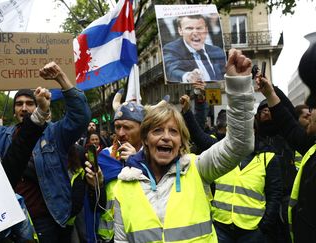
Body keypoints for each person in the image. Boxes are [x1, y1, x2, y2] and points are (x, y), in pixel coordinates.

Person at [113, 48, 254, 242]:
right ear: (145, 139)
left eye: (173, 131)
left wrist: (239, 87)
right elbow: (121, 239)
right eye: (157, 131)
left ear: (181, 141)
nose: (166, 138)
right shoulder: (124, 184)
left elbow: (239, 144)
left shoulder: (198, 168)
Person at [2, 62, 91, 242]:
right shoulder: (1, 135)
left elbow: (80, 117)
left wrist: (61, 78)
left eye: (29, 103)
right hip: (11, 220)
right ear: (14, 112)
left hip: (47, 221)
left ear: (39, 107)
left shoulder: (55, 133)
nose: (24, 108)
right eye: (19, 104)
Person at [180, 93, 282, 242]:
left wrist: (264, 227)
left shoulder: (268, 157)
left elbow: (275, 195)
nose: (240, 133)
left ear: (253, 131)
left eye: (246, 129)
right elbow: (199, 136)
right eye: (235, 129)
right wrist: (188, 112)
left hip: (252, 232)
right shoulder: (221, 151)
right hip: (221, 228)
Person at [256, 41, 316, 242]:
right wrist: (271, 93)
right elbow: (289, 124)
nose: (308, 110)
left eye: (313, 106)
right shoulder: (311, 145)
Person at [94, 89, 145, 242]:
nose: (120, 133)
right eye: (117, 127)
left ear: (142, 128)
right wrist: (96, 185)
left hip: (142, 232)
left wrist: (136, 160)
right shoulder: (104, 156)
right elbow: (96, 201)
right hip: (109, 235)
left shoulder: (154, 157)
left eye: (127, 127)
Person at [163, 14, 226, 83]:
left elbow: (224, 74)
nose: (195, 33)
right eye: (189, 28)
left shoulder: (217, 51)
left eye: (199, 28)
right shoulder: (171, 49)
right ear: (180, 31)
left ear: (206, 30)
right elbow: (172, 70)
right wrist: (187, 76)